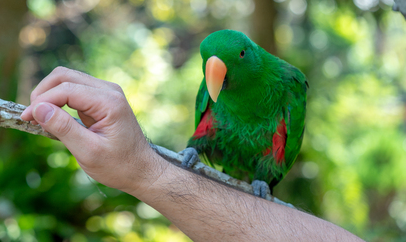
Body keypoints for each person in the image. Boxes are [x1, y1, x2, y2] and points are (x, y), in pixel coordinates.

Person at [21, 67, 364, 242]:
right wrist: (157, 168)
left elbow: (282, 147)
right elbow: (204, 130)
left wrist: (147, 173)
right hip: (209, 159)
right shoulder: (214, 84)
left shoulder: (288, 86)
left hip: (258, 172)